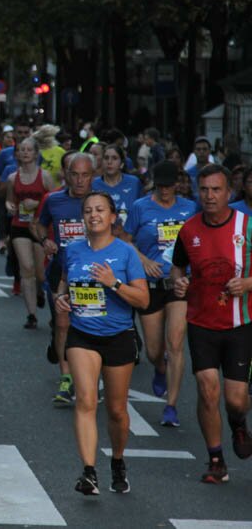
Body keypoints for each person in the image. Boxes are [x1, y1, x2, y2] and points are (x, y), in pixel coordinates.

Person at [54, 191, 149, 495]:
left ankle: (118, 461)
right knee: (85, 400)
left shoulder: (126, 253)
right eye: (88, 211)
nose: (93, 215)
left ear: (112, 217)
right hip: (82, 335)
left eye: (100, 210)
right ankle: (89, 472)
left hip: (119, 336)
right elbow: (68, 285)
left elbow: (144, 300)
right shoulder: (73, 250)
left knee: (117, 411)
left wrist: (115, 284)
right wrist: (62, 299)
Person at [171, 164, 252, 484]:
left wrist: (247, 284)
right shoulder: (188, 230)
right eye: (204, 190)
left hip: (240, 324)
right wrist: (178, 284)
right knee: (207, 390)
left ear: (229, 193)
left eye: (216, 190)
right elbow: (176, 269)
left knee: (235, 399)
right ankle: (216, 458)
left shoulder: (246, 226)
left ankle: (238, 423)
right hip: (201, 322)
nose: (209, 196)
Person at [124, 160, 197, 428]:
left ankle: (171, 406)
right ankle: (160, 367)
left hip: (179, 284)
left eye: (170, 186)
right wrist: (142, 260)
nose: (165, 191)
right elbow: (124, 239)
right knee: (155, 350)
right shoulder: (140, 207)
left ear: (177, 184)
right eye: (161, 186)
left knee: (176, 343)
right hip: (150, 285)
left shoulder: (189, 208)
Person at [35, 152, 95, 405]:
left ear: (93, 176)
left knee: (89, 324)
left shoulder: (100, 201)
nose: (80, 181)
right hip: (60, 270)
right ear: (66, 175)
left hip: (93, 272)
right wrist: (45, 240)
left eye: (85, 175)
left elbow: (117, 231)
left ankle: (91, 374)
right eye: (75, 174)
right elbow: (37, 225)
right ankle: (67, 378)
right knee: (62, 324)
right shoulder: (53, 200)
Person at [7, 138, 54, 329]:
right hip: (20, 225)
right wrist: (10, 206)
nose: (25, 153)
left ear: (36, 154)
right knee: (26, 268)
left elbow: (54, 200)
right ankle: (31, 315)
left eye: (28, 150)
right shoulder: (12, 178)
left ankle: (42, 292)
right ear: (17, 154)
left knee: (42, 275)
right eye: (21, 150)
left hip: (40, 227)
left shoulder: (45, 176)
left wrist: (37, 204)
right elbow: (10, 201)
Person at [91, 144, 142, 226]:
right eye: (106, 158)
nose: (109, 162)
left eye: (114, 158)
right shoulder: (93, 184)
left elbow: (141, 211)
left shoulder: (134, 183)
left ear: (121, 164)